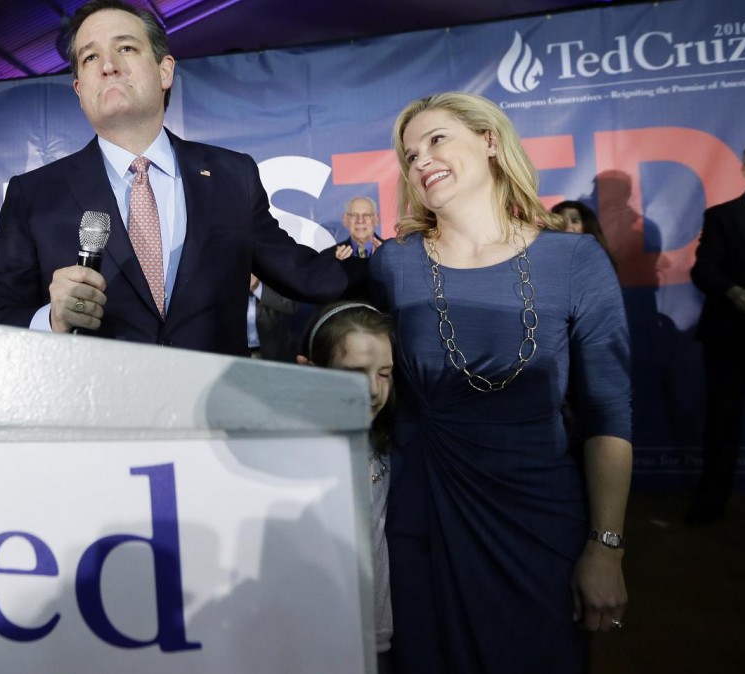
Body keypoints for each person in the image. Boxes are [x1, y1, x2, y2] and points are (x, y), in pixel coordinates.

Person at [371, 92, 632, 673]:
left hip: (539, 524)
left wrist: (606, 545)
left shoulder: (575, 260)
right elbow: (338, 340)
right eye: (410, 154)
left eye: (437, 139)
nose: (421, 160)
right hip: (423, 520)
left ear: (490, 141)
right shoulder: (393, 265)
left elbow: (608, 414)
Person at [0, 0, 346, 354]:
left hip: (212, 413)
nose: (108, 66)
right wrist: (52, 320)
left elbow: (307, 276)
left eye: (126, 48)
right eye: (90, 57)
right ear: (79, 90)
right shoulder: (34, 195)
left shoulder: (233, 176)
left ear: (165, 71)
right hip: (95, 413)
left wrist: (391, 257)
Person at [297, 301, 395, 674]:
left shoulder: (384, 446)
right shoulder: (294, 459)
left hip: (376, 641)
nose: (373, 390)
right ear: (310, 371)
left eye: (385, 373)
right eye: (355, 373)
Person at [686, 140, 745, 525]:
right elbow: (703, 270)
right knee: (723, 420)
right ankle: (710, 504)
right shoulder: (722, 216)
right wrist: (734, 293)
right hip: (729, 332)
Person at [324, 196, 385, 300]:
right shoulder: (329, 257)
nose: (360, 221)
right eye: (353, 215)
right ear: (345, 220)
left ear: (376, 219)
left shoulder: (393, 253)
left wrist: (385, 262)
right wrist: (337, 268)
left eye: (366, 215)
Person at [552, 199, 618, 270]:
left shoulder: (599, 259)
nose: (568, 227)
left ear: (587, 226)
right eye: (562, 222)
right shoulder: (548, 257)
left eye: (574, 221)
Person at [247, 274, 297, 361]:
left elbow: (290, 305)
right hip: (233, 354)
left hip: (274, 353)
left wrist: (257, 288)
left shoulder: (272, 270)